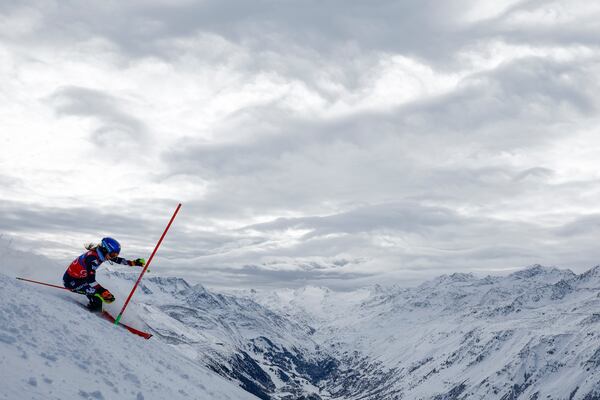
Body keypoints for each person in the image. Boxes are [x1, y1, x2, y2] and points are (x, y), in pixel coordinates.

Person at [63, 237, 146, 311]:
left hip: (82, 279)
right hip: (71, 282)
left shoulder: (101, 254)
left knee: (97, 294)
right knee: (98, 297)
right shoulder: (92, 259)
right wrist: (102, 292)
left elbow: (118, 260)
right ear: (105, 249)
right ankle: (93, 315)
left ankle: (94, 305)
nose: (113, 257)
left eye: (115, 254)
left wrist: (133, 263)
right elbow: (91, 280)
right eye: (112, 254)